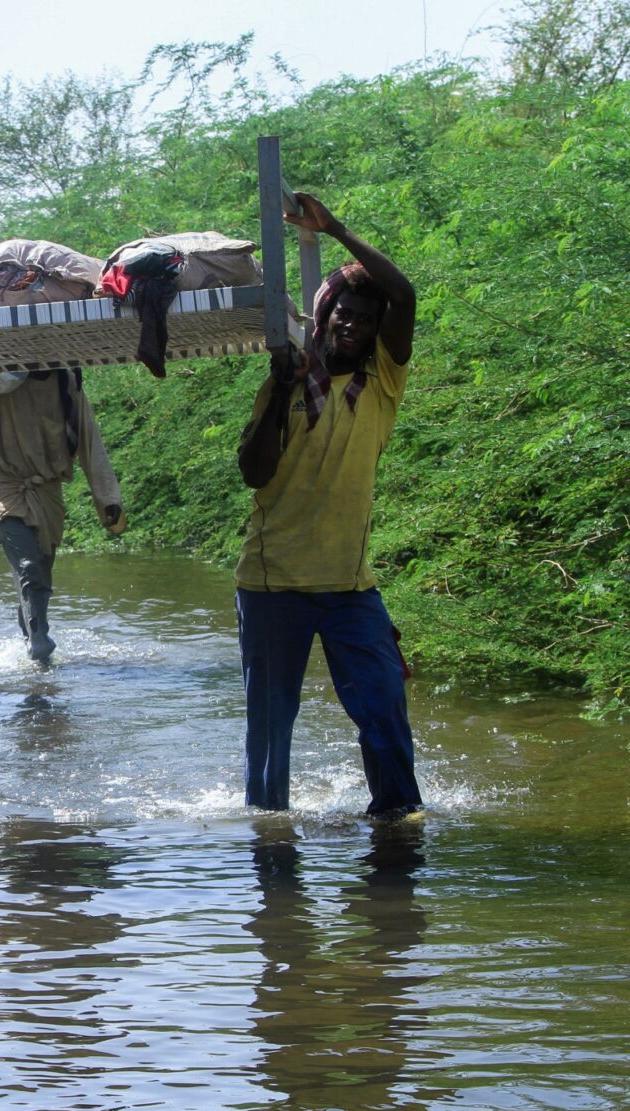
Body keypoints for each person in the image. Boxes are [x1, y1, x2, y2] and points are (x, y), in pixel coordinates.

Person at [234, 191, 421, 819]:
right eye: (343, 312)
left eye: (365, 319)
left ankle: (397, 824)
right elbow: (254, 473)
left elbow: (404, 296)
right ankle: (270, 833)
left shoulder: (383, 382)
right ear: (324, 315)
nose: (352, 325)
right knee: (271, 730)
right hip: (271, 585)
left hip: (350, 587)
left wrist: (335, 228)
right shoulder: (285, 381)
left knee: (383, 709)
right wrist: (279, 389)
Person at [0, 369, 125, 663]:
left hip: (48, 488)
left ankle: (34, 642)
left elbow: (88, 437)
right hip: (5, 483)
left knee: (40, 574)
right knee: (28, 567)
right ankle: (39, 642)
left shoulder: (64, 381)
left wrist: (107, 498)